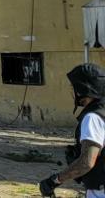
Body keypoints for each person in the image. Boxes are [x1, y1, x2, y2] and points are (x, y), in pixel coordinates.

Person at [37, 62, 105, 197]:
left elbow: (86, 162)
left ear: (82, 89)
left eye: (73, 87)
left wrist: (54, 180)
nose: (71, 91)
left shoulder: (93, 118)